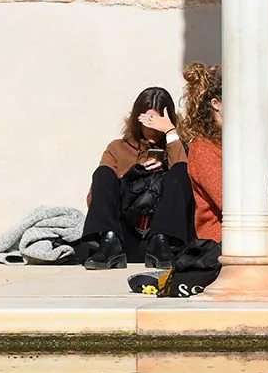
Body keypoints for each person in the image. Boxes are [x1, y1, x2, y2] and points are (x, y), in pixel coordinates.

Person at [82, 86, 195, 271]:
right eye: (147, 120)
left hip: (165, 244)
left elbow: (188, 190)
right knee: (103, 173)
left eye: (157, 122)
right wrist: (131, 177)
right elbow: (93, 199)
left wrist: (170, 135)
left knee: (181, 171)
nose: (151, 128)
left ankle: (160, 240)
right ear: (137, 119)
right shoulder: (117, 148)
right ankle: (110, 244)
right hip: (126, 235)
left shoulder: (178, 148)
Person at [180, 62, 223, 243]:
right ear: (216, 103)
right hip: (219, 244)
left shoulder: (235, 144)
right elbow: (227, 201)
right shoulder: (203, 148)